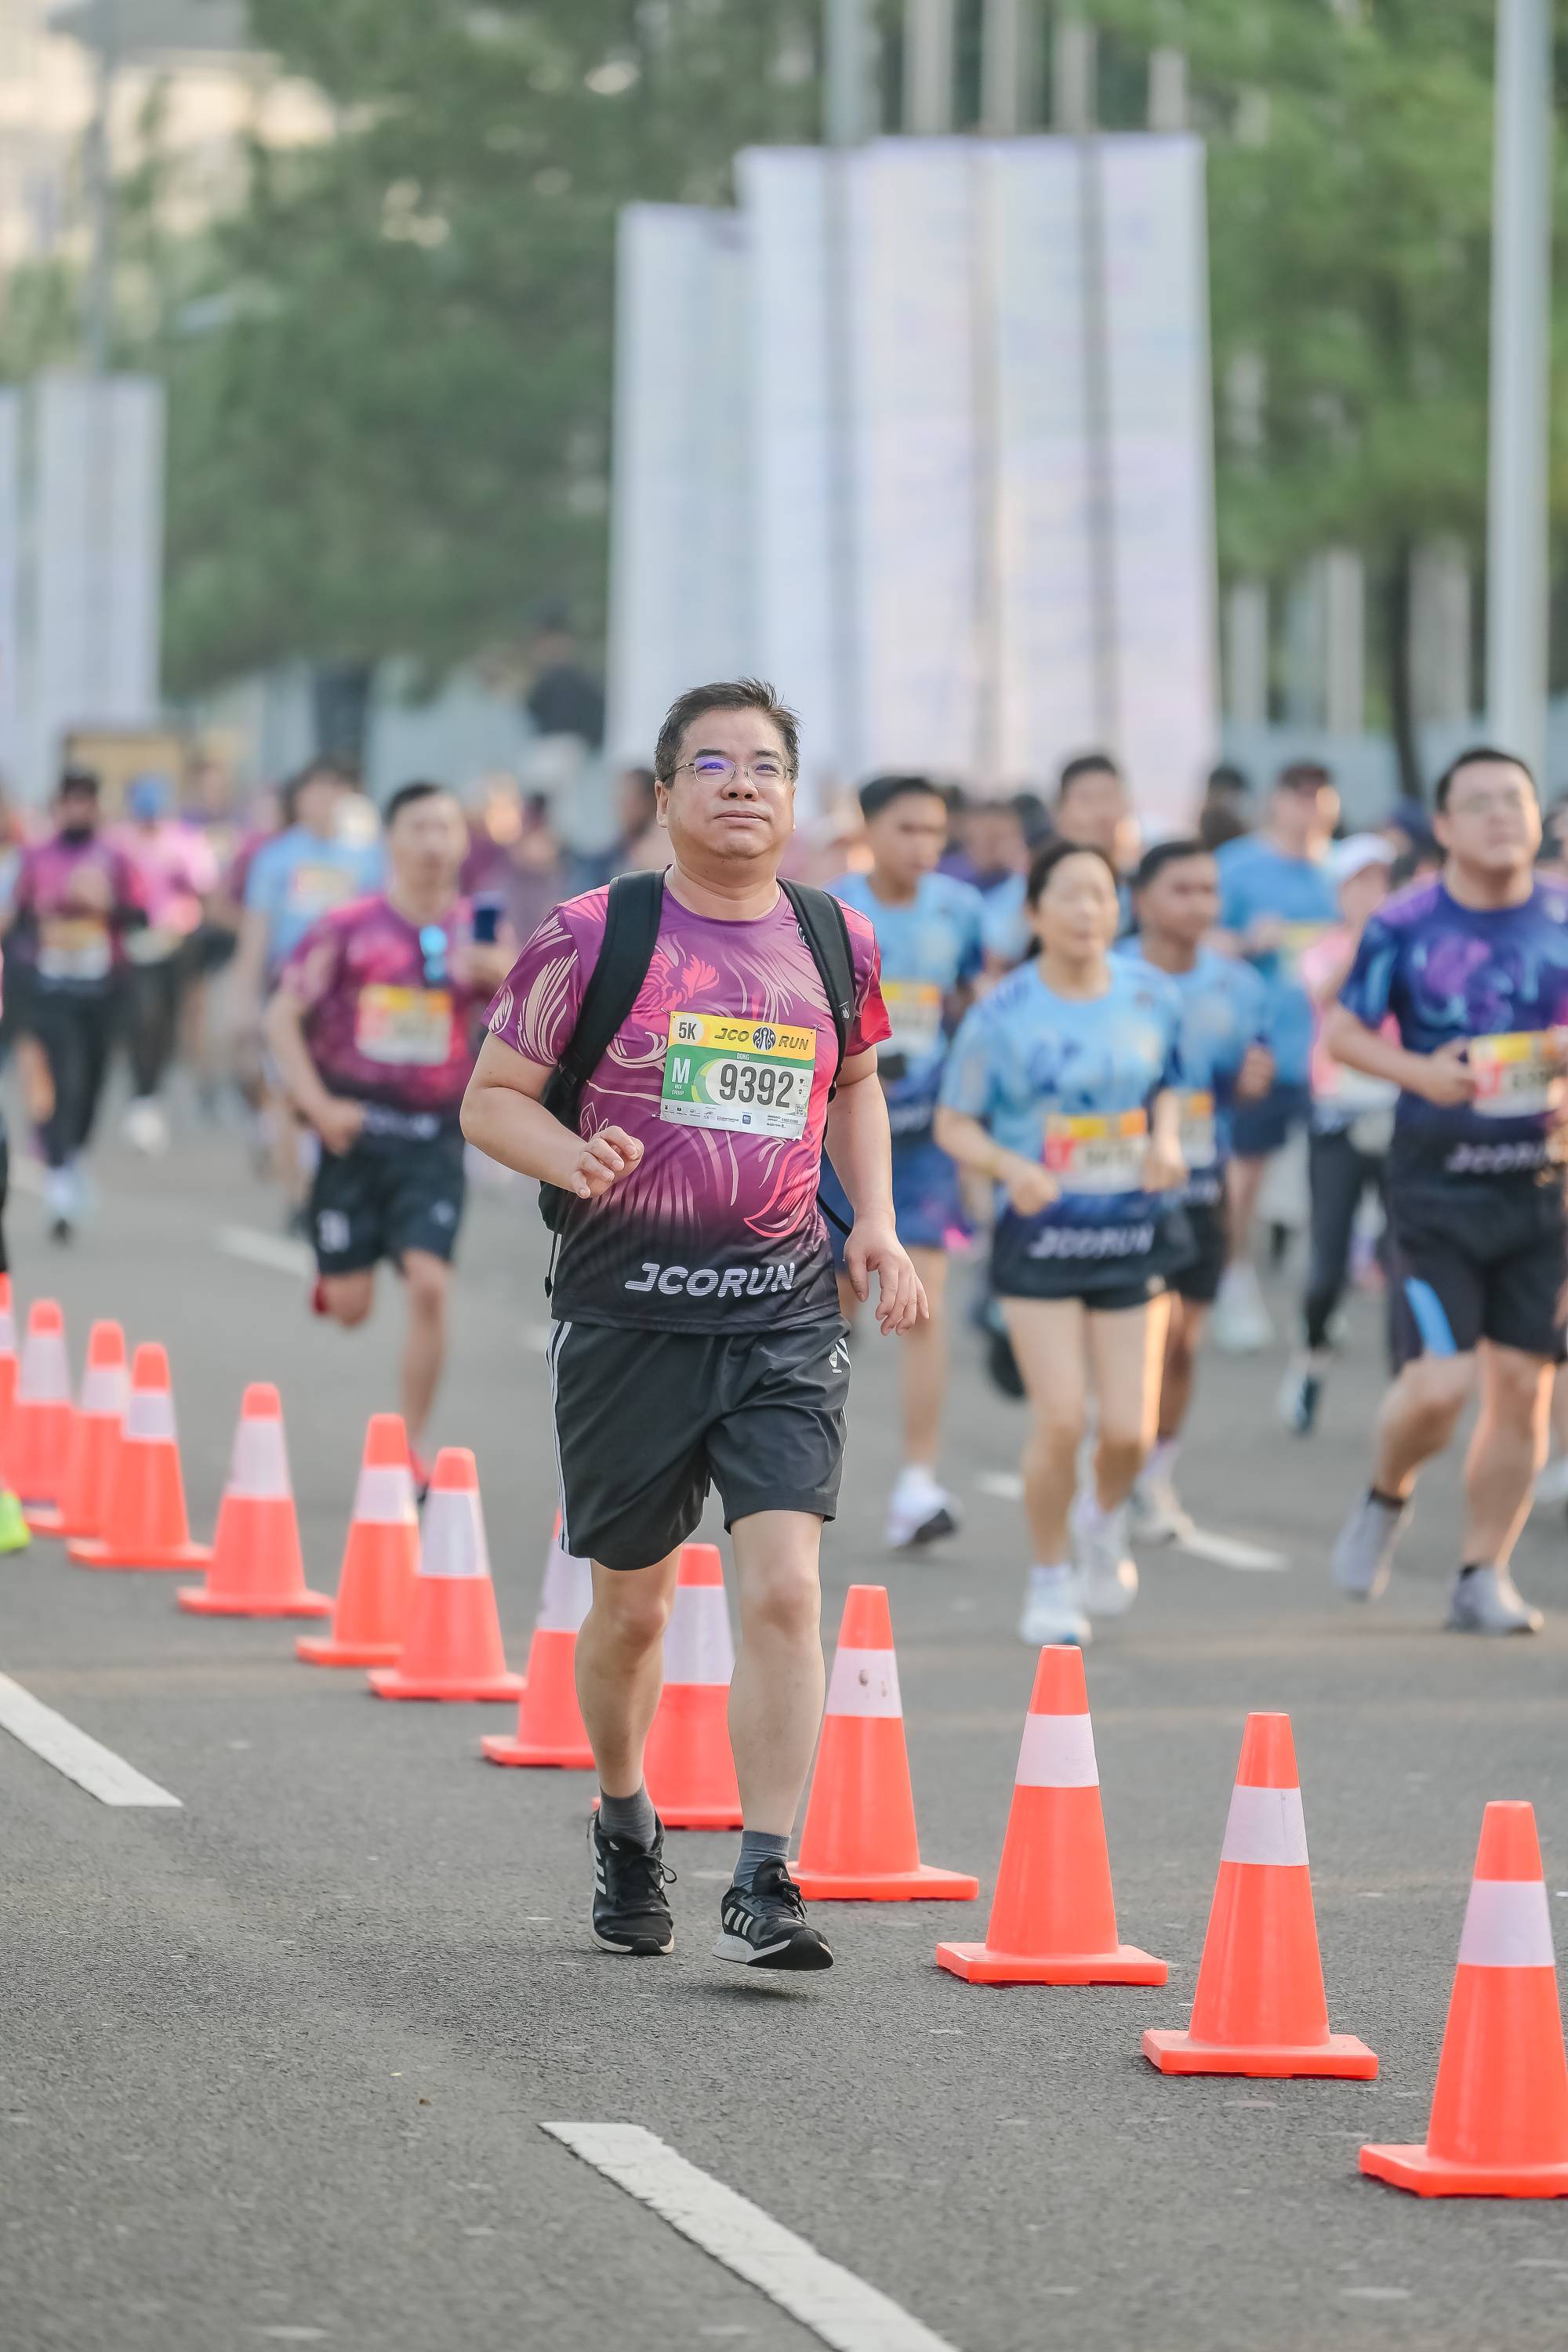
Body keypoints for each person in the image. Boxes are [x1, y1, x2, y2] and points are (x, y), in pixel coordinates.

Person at [462, 677, 921, 1972]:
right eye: (711, 765)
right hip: (627, 1315)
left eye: (764, 765)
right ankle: (624, 1817)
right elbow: (491, 1100)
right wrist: (570, 1156)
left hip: (784, 1312)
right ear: (664, 796)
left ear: (794, 797)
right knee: (635, 1616)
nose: (741, 785)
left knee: (784, 1587)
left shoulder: (835, 939)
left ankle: (766, 1875)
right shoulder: (593, 934)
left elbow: (858, 1085)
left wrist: (876, 1224)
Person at [1326, 746, 1568, 1635]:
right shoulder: (1404, 922)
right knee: (1439, 1385)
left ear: (1537, 817)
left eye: (1515, 799)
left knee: (1522, 1385)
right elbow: (1344, 1032)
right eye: (1479, 803)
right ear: (1443, 826)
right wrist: (1420, 1073)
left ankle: (1481, 1573)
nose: (1500, 815)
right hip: (1437, 1187)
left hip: (1542, 1187)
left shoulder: (1561, 916)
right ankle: (1384, 1497)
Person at [935, 840, 1186, 1646]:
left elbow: (1171, 1086)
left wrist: (1166, 1140)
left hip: (1131, 1230)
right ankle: (1048, 1579)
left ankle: (1101, 1519)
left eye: (1102, 895)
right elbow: (953, 1121)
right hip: (1040, 1240)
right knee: (1061, 1420)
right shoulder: (1001, 1013)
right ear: (1034, 912)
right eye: (1070, 895)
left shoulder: (1152, 996)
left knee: (1130, 1433)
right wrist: (1010, 1166)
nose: (1088, 911)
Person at [265, 782, 510, 1474]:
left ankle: (410, 1446)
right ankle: (333, 1275)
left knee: (430, 1285)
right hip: (354, 1132)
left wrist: (505, 981)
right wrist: (316, 1106)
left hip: (434, 1137)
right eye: (418, 828)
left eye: (444, 828)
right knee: (350, 1309)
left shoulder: (482, 934)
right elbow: (281, 1018)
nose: (433, 842)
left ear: (462, 843)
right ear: (391, 841)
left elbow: (532, 1032)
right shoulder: (348, 927)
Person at [825, 774, 985, 1547]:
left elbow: (972, 1001)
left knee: (924, 1300)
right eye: (906, 829)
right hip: (836, 1134)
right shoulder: (828, 911)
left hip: (922, 1142)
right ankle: (800, 1469)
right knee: (833, 1307)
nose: (923, 846)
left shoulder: (961, 911)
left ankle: (918, 1484)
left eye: (934, 832)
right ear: (867, 831)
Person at [1120, 839, 1272, 1539]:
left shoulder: (1239, 986)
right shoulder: (1106, 974)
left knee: (1181, 1344)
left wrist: (1250, 1084)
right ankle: (1110, 1459)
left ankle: (1154, 1475)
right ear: (1142, 900)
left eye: (1209, 890)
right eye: (1182, 889)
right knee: (1136, 1337)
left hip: (1201, 1186)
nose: (1200, 904)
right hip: (1114, 1191)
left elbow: (1241, 1082)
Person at [1210, 759, 1340, 1350]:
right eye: (1299, 794)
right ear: (1276, 800)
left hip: (1331, 1058)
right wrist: (1245, 941)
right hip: (1259, 1049)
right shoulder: (1237, 866)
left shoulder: (1340, 872)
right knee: (1244, 1178)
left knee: (1331, 1187)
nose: (1310, 806)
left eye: (1321, 794)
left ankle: (1322, 1297)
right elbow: (1198, 936)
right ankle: (1233, 1280)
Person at [1276, 835, 1399, 1435]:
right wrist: (1367, 942)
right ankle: (1309, 1362)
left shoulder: (1408, 947)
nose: (1371, 893)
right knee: (1329, 1262)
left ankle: (1409, 1391)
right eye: (1359, 883)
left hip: (1402, 1115)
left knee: (1406, 1259)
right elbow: (1325, 997)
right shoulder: (1322, 949)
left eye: (1381, 881)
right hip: (1337, 1119)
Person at [233, 760, 382, 1218]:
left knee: (336, 1088)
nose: (324, 800)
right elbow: (256, 931)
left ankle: (325, 1182)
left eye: (334, 789)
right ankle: (296, 1195)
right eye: (315, 790)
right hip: (290, 990)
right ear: (298, 799)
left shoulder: (367, 858)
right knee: (287, 1090)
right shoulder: (276, 858)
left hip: (347, 994)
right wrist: (244, 998)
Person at [3, 771, 144, 1239]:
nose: (78, 809)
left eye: (86, 801)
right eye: (70, 801)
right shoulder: (35, 858)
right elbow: (17, 923)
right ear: (57, 806)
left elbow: (142, 915)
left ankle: (75, 1154)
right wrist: (48, 920)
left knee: (93, 1084)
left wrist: (106, 905)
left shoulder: (116, 858)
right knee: (65, 1081)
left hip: (103, 989)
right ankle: (60, 1180)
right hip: (52, 991)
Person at [110, 772, 220, 1154]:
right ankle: (141, 1094)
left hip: (177, 943)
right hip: (135, 944)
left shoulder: (185, 840)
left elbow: (205, 885)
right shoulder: (120, 842)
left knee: (169, 1022)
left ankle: (153, 1092)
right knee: (143, 1017)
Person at [984, 753, 1138, 968]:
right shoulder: (1027, 889)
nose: (1102, 814)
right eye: (1087, 800)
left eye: (1109, 797)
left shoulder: (1140, 887)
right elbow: (996, 963)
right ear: (1059, 812)